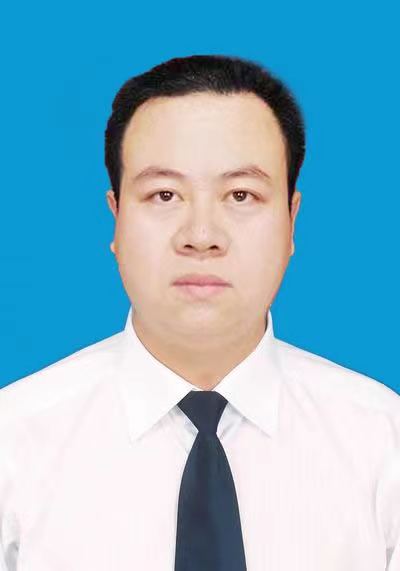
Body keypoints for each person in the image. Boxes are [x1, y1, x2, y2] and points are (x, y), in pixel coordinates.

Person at [0, 54, 399, 571]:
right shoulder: (14, 441)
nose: (202, 235)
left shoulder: (382, 442)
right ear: (116, 217)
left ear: (291, 220)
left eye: (241, 194)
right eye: (164, 194)